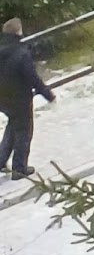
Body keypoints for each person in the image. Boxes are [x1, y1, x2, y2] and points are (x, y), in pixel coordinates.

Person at [0, 12, 52, 180]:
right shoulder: (21, 53)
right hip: (19, 98)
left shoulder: (2, 51)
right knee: (24, 131)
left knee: (13, 127)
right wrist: (48, 94)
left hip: (3, 99)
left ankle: (1, 161)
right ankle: (19, 168)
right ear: (19, 32)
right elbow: (32, 78)